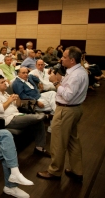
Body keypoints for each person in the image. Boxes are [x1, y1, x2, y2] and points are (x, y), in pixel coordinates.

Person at [37, 46, 89, 182]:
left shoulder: (76, 75)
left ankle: (54, 172)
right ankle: (77, 171)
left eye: (64, 57)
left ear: (72, 60)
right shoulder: (78, 71)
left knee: (58, 142)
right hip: (74, 109)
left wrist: (55, 82)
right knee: (73, 141)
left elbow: (68, 95)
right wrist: (60, 80)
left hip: (66, 110)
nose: (61, 59)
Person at [0, 75, 50, 156]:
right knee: (35, 117)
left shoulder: (5, 93)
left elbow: (18, 105)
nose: (5, 83)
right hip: (9, 119)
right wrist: (10, 100)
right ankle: (45, 115)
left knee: (38, 121)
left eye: (5, 81)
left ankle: (39, 148)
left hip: (17, 115)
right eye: (2, 82)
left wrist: (17, 98)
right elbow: (1, 109)